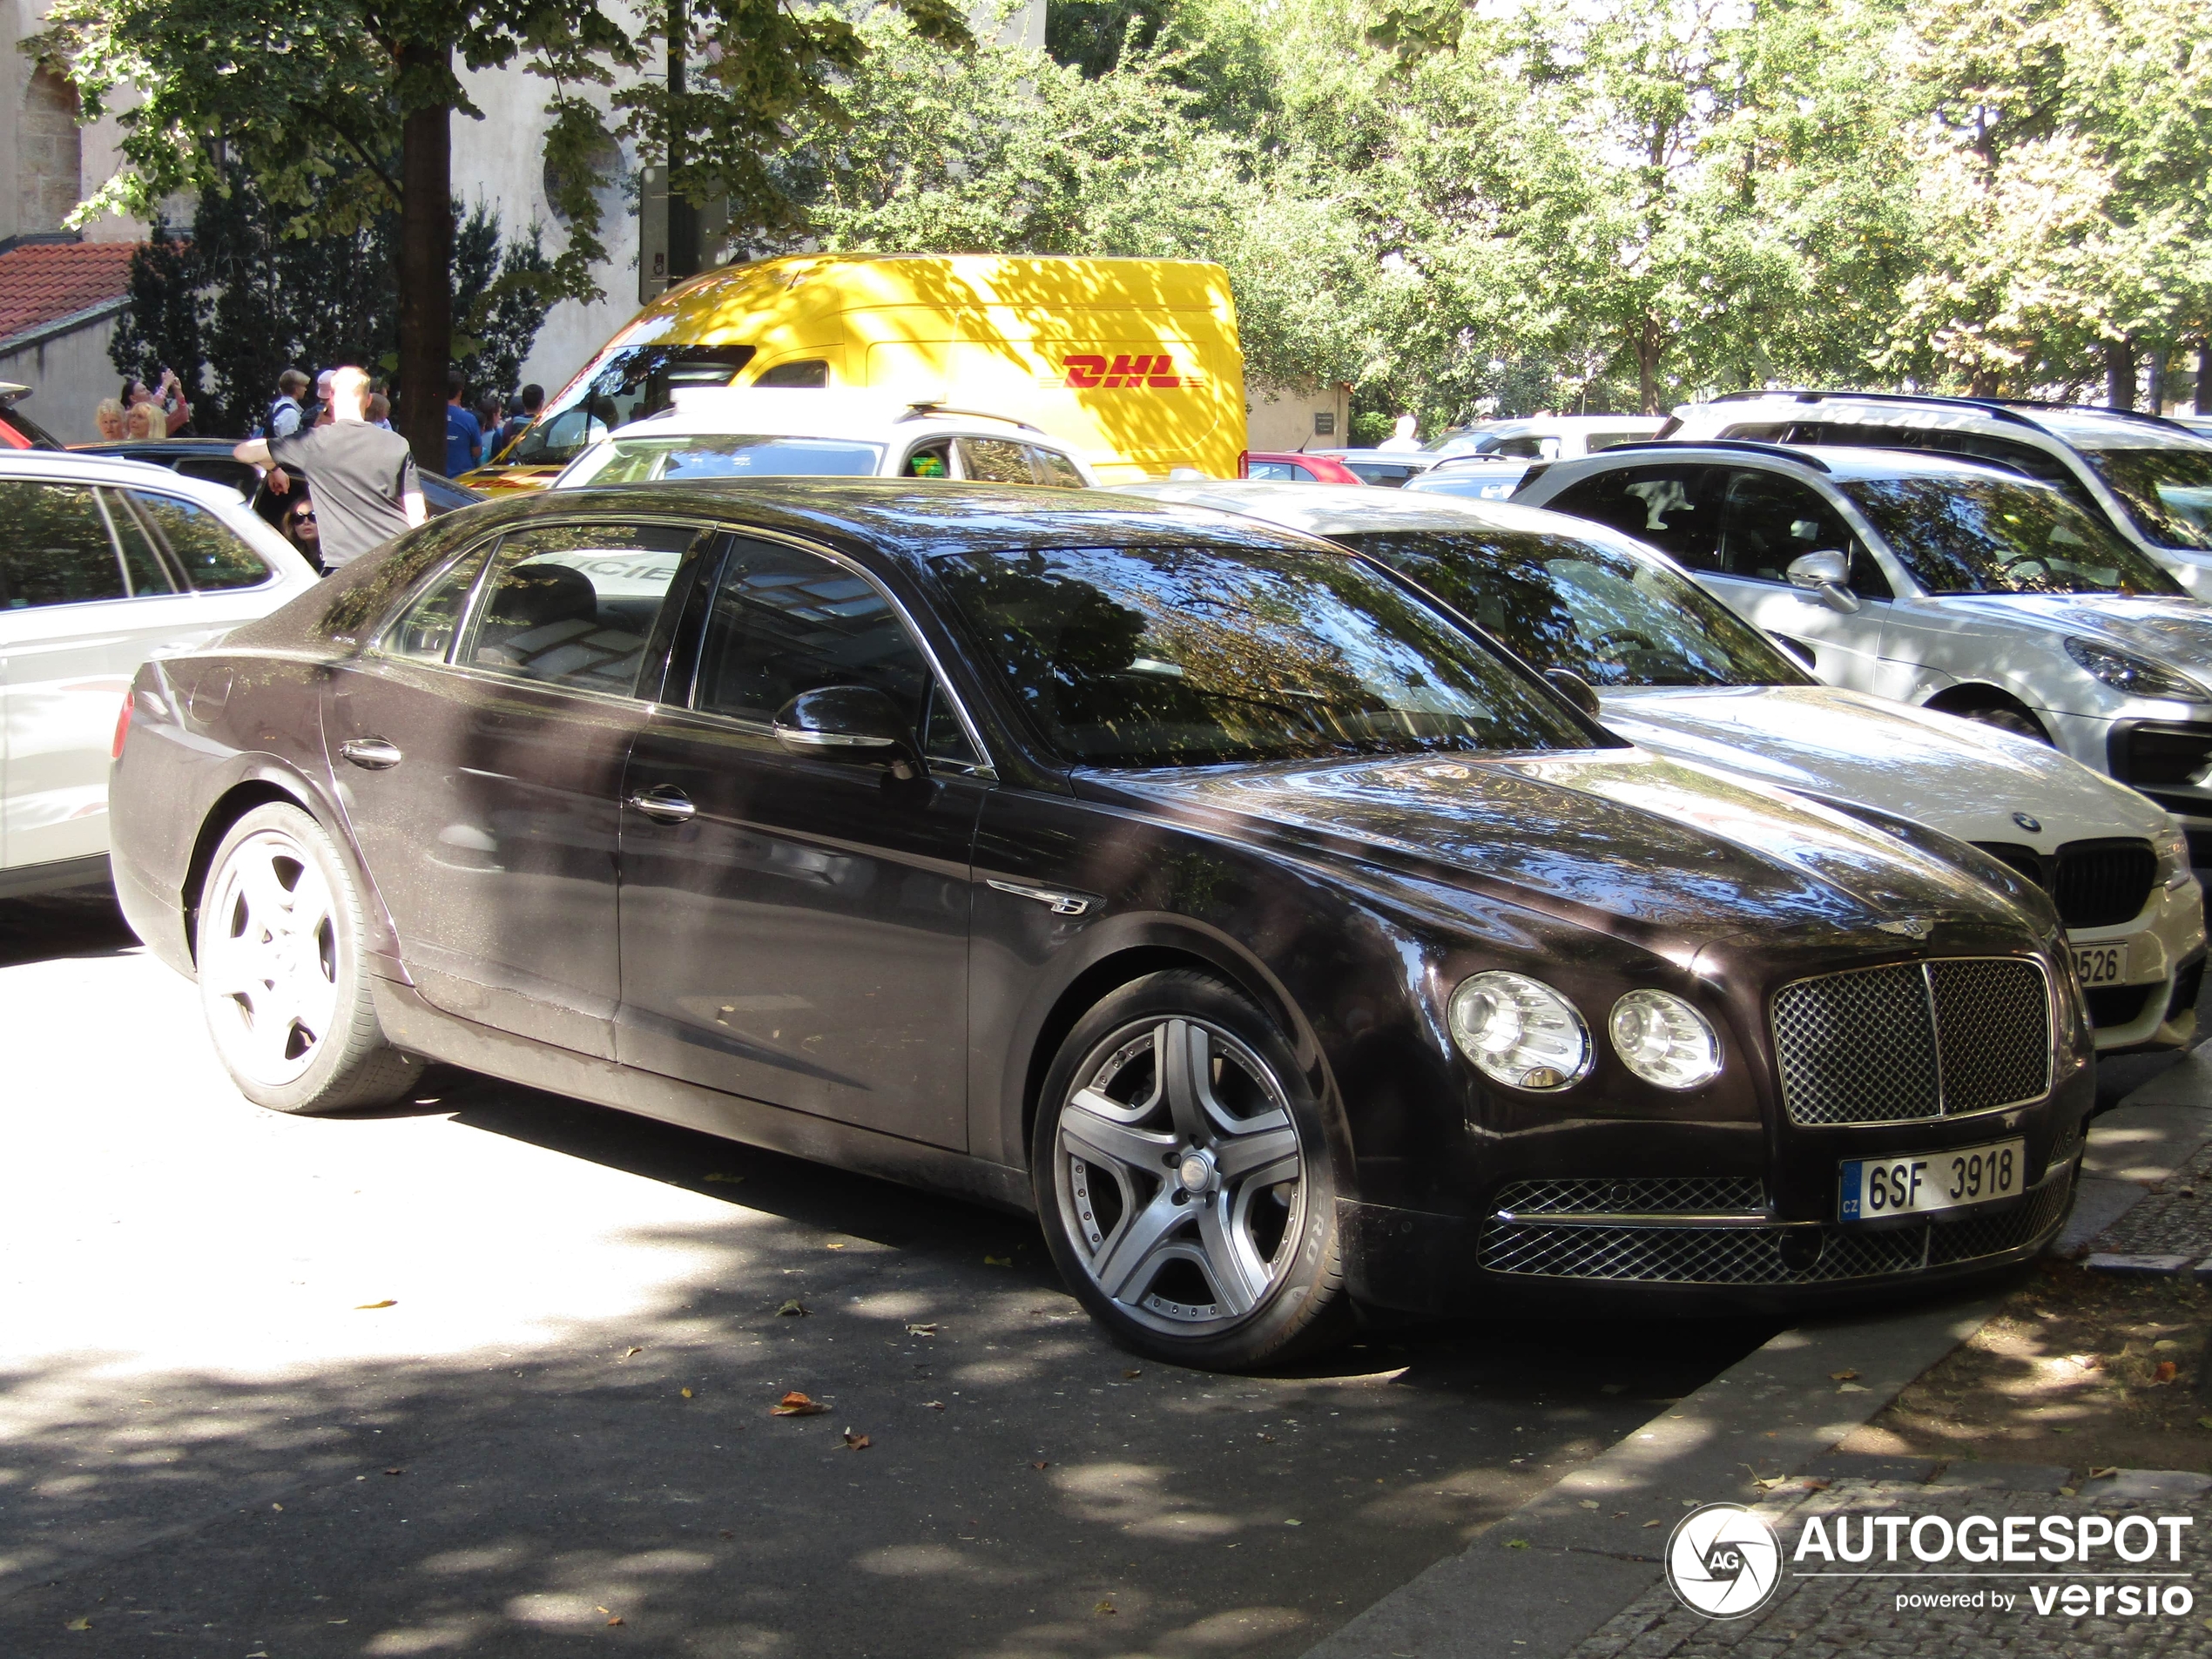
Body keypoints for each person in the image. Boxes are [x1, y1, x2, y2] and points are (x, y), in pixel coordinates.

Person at [234, 365, 424, 572]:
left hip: (346, 567)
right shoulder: (397, 443)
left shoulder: (313, 443)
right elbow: (418, 515)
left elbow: (243, 452)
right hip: (396, 557)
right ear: (369, 400)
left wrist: (274, 469)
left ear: (332, 399)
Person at [445, 368, 482, 475]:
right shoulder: (469, 419)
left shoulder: (431, 416)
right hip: (461, 480)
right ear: (460, 392)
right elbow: (477, 452)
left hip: (434, 480)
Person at [495, 382, 543, 453]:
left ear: (523, 402)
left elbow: (504, 450)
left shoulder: (510, 425)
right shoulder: (544, 423)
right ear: (541, 402)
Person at [268, 369, 310, 438]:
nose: (305, 389)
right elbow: (289, 443)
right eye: (303, 386)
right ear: (296, 389)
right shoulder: (290, 413)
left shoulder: (277, 406)